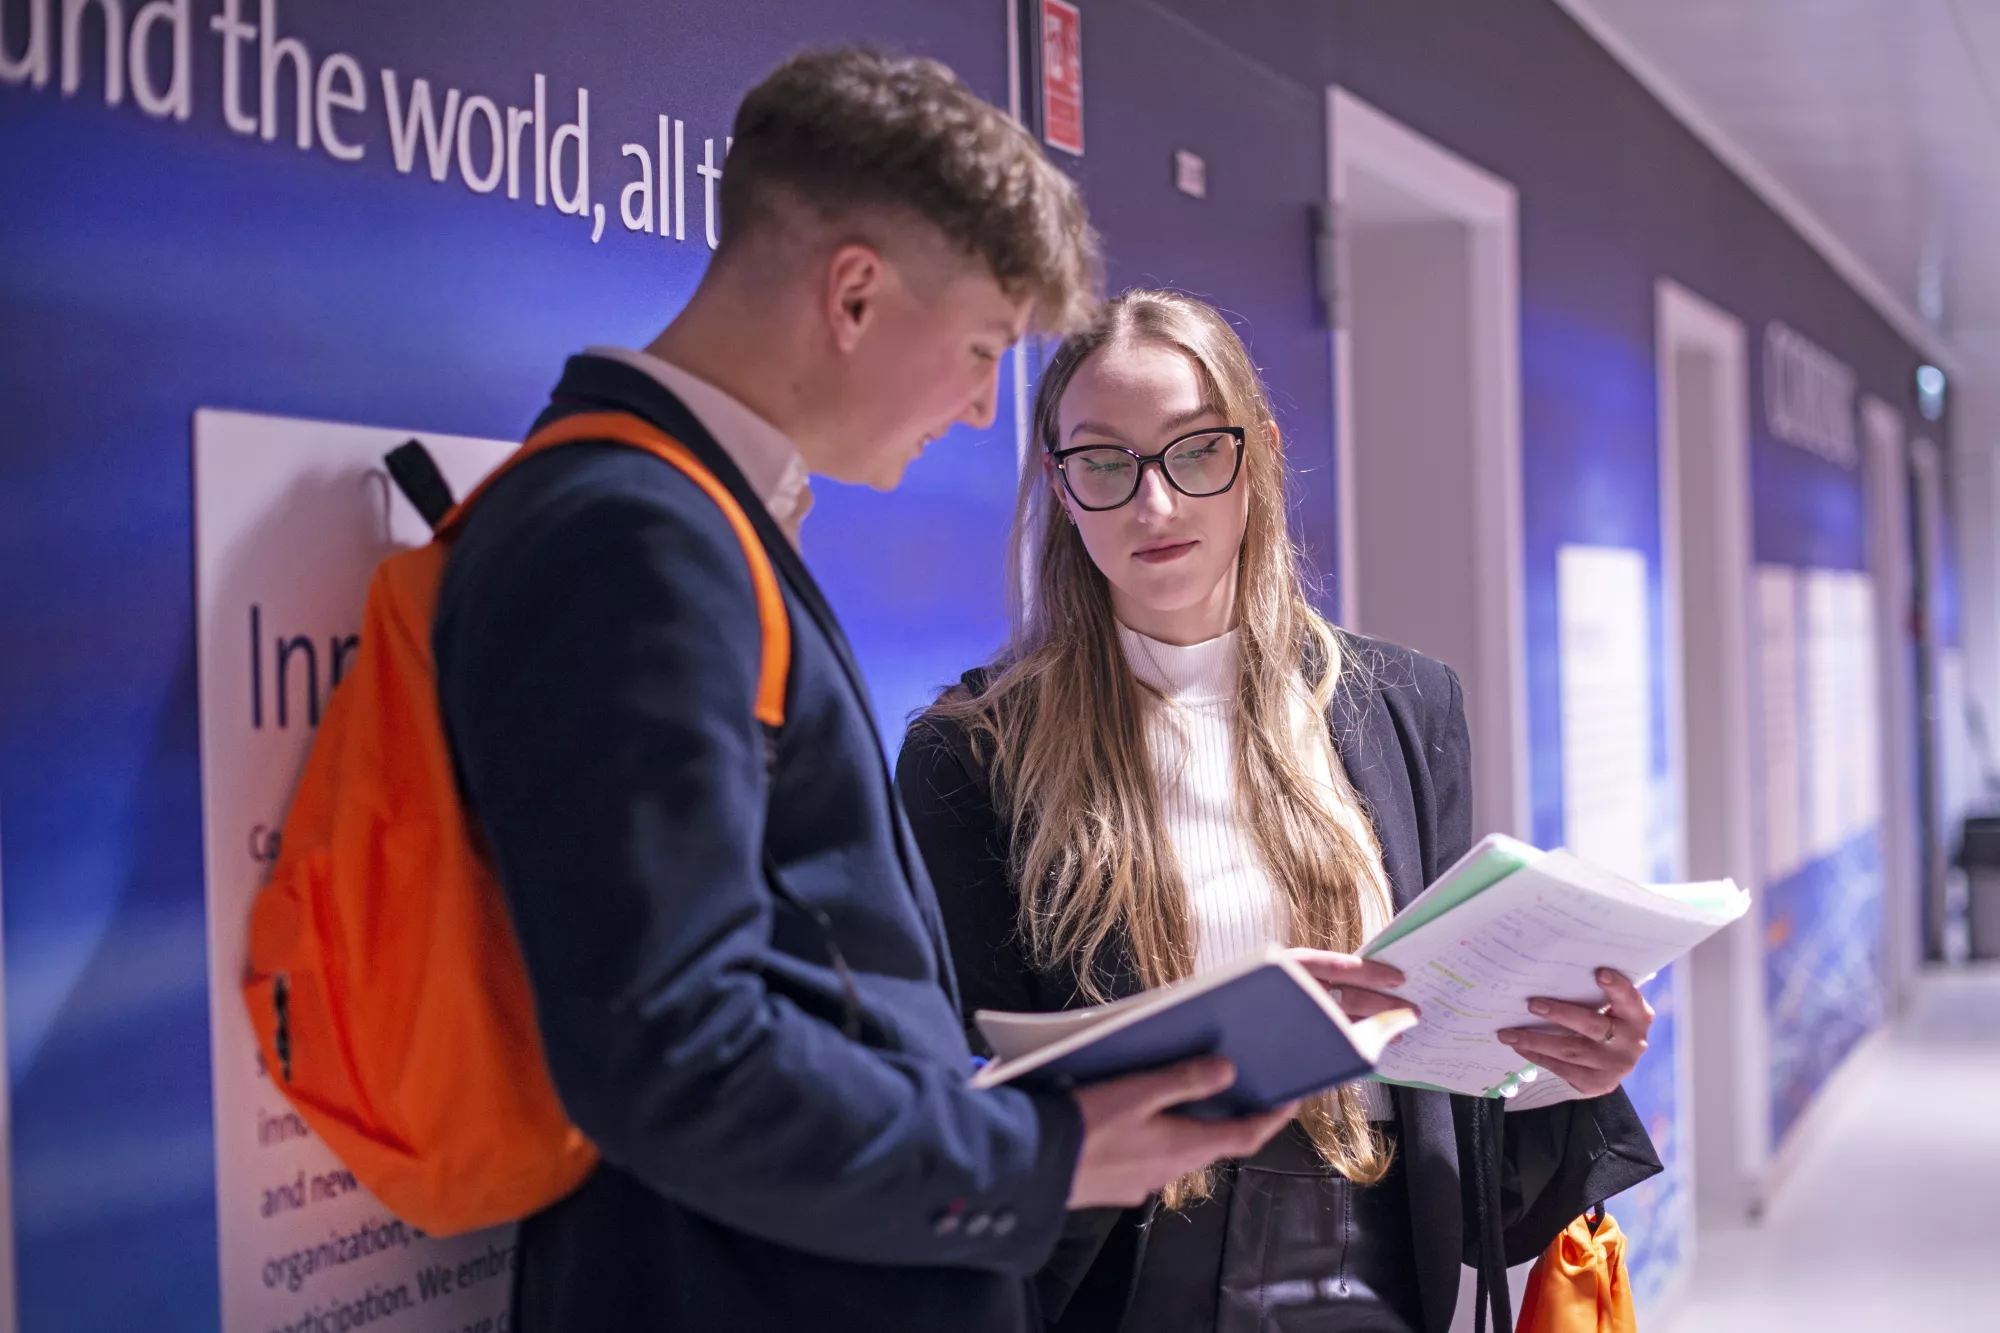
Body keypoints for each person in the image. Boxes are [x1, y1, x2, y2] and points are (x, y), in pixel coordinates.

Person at [434, 54, 1298, 1333]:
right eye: (979, 350)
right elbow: (671, 1057)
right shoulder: (631, 538)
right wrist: (1039, 1155)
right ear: (852, 294)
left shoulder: (678, 518)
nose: (973, 407)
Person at [896, 289, 1665, 1333]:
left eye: (1190, 451)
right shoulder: (972, 753)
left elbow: (1444, 1047)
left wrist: (1560, 1065)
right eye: (1104, 463)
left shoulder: (1402, 702)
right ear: (1059, 486)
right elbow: (964, 1087)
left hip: (1378, 1255)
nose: (1152, 506)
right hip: (1118, 1284)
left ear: (1253, 454)